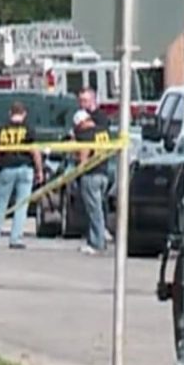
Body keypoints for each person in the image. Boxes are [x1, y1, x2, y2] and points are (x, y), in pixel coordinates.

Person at [0, 101, 43, 249]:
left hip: (6, 168)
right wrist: (40, 170)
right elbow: (34, 151)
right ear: (24, 114)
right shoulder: (28, 129)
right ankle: (15, 239)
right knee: (21, 205)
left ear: (10, 113)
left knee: (0, 205)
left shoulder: (1, 129)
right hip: (25, 168)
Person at [73, 102, 110, 255]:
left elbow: (84, 150)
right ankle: (97, 238)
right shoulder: (102, 131)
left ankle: (97, 242)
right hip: (104, 173)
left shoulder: (85, 133)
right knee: (99, 208)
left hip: (91, 174)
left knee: (94, 210)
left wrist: (80, 168)